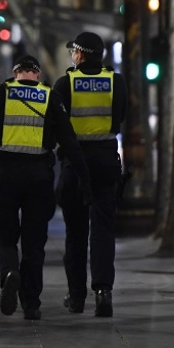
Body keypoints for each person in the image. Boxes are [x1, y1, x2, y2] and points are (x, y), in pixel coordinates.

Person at [0, 55, 90, 321]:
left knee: (3, 236)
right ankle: (32, 304)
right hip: (39, 178)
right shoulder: (50, 97)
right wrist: (85, 179)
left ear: (16, 73)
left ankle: (10, 271)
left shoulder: (1, 92)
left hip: (5, 176)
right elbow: (70, 142)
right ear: (36, 73)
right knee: (35, 243)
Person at [52, 32, 128, 318]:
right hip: (106, 160)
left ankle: (76, 296)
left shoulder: (65, 84)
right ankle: (103, 292)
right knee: (104, 229)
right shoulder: (115, 82)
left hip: (75, 163)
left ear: (80, 55)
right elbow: (119, 118)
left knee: (76, 232)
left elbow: (57, 125)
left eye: (74, 51)